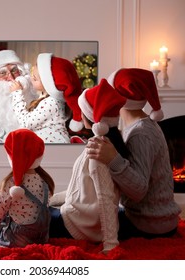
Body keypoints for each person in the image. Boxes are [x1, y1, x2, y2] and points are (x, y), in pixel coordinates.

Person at [86, 68, 182, 240]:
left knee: (79, 225)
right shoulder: (141, 126)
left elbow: (138, 190)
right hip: (153, 220)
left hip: (149, 225)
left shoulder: (141, 133)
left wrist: (112, 159)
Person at [49, 78, 129, 254]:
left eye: (81, 110)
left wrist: (110, 244)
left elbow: (105, 198)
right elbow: (81, 192)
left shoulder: (97, 150)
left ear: (91, 118)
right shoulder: (110, 143)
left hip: (80, 225)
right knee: (36, 207)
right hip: (79, 217)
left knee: (24, 215)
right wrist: (51, 199)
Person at [9, 53, 84, 143]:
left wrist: (16, 93)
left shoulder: (52, 103)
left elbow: (26, 123)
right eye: (32, 72)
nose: (31, 78)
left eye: (35, 78)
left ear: (48, 85)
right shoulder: (45, 97)